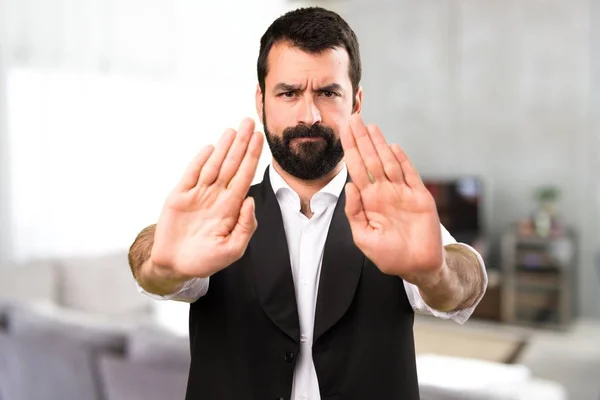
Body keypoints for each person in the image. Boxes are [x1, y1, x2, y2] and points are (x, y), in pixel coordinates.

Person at [127, 6, 488, 400]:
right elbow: (154, 265)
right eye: (289, 93)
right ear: (261, 100)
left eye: (328, 93)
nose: (309, 115)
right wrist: (161, 264)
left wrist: (436, 274)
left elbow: (461, 279)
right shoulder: (220, 217)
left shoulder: (393, 214)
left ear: (356, 101)